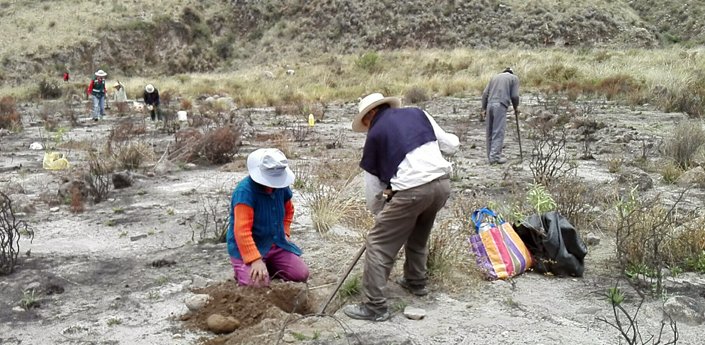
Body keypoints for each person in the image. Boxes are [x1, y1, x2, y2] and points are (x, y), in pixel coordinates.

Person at [343, 93, 459, 321]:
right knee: (418, 234)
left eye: (365, 122)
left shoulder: (375, 135)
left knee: (378, 244)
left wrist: (380, 212)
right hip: (442, 185)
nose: (366, 128)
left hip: (411, 191)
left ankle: (374, 307)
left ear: (370, 115)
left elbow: (372, 188)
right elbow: (451, 144)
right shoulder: (418, 113)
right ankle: (416, 282)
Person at [225, 148, 310, 287]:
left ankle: (268, 265)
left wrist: (285, 230)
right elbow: (242, 231)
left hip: (275, 244)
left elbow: (289, 209)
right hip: (246, 248)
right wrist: (255, 259)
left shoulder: (281, 187)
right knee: (258, 284)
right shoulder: (245, 192)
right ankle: (244, 268)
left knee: (301, 274)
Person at [482, 67, 520, 165]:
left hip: (490, 104)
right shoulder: (514, 78)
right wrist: (516, 107)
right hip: (501, 105)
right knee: (498, 131)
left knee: (489, 131)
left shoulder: (494, 77)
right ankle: (495, 158)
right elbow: (515, 96)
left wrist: (483, 108)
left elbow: (485, 93)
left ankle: (490, 156)